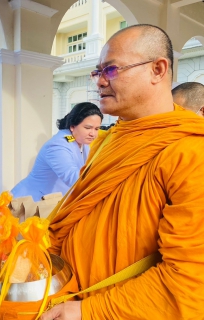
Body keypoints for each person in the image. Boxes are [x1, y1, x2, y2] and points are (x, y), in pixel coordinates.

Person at [40, 24, 204, 320]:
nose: (100, 82)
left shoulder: (191, 154)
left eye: (112, 70)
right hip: (68, 291)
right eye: (97, 72)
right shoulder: (112, 137)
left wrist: (90, 310)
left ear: (158, 69)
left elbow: (189, 280)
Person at [11, 102, 102, 201]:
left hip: (51, 203)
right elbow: (74, 178)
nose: (93, 133)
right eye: (88, 128)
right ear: (72, 126)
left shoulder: (82, 143)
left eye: (97, 129)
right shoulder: (57, 146)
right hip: (30, 204)